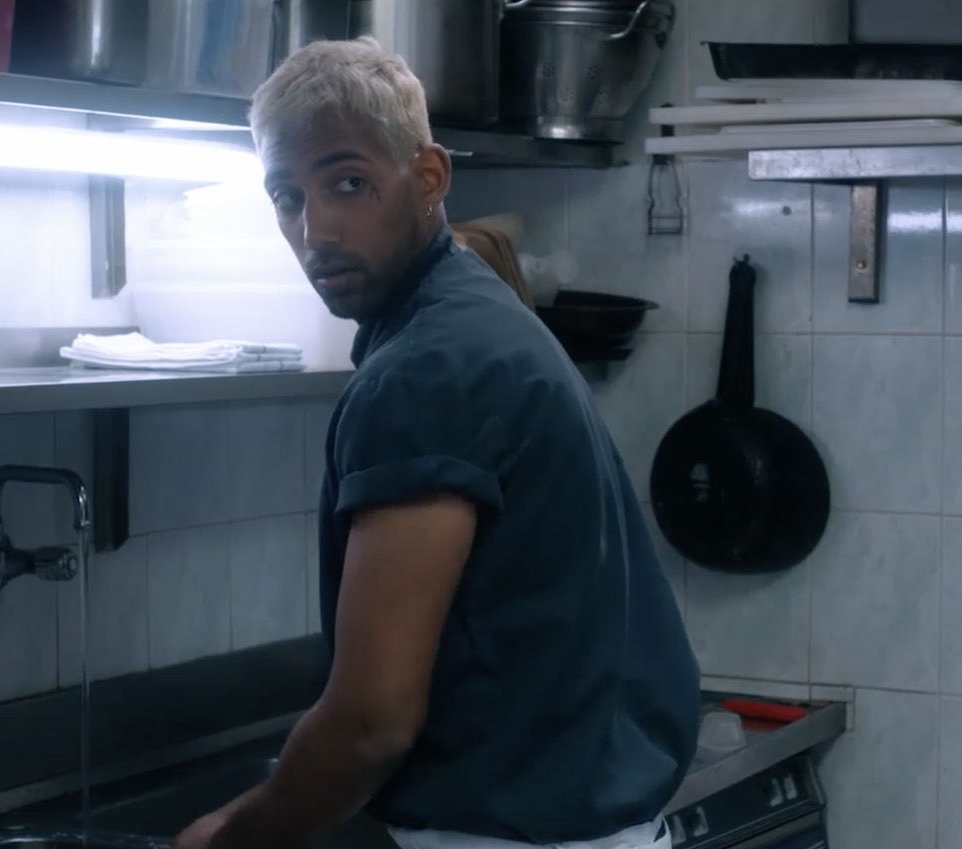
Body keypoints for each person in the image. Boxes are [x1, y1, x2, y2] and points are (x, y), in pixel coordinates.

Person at [172, 37, 700, 849]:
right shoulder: (472, 318)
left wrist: (231, 837)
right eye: (286, 195)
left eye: (348, 183)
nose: (315, 230)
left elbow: (370, 724)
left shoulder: (425, 375)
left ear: (428, 178)